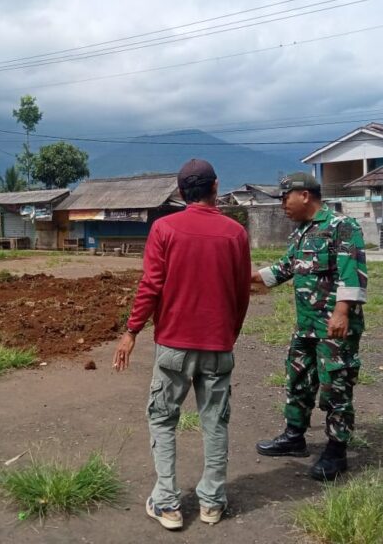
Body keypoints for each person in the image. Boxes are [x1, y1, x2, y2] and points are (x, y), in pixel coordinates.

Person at [113, 159, 251, 531]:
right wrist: (228, 334)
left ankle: (167, 504)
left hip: (173, 345)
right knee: (215, 422)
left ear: (179, 191)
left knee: (162, 418)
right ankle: (212, 503)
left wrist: (131, 331)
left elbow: (150, 286)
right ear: (215, 187)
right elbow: (242, 293)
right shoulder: (235, 233)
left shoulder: (164, 228)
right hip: (218, 346)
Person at [251, 172, 367, 482]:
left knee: (336, 384)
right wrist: (249, 277)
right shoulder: (302, 232)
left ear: (304, 195)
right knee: (298, 379)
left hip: (334, 328)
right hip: (306, 325)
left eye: (284, 197)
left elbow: (352, 270)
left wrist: (342, 311)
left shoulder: (341, 226)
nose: (282, 205)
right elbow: (287, 266)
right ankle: (294, 436)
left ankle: (336, 449)